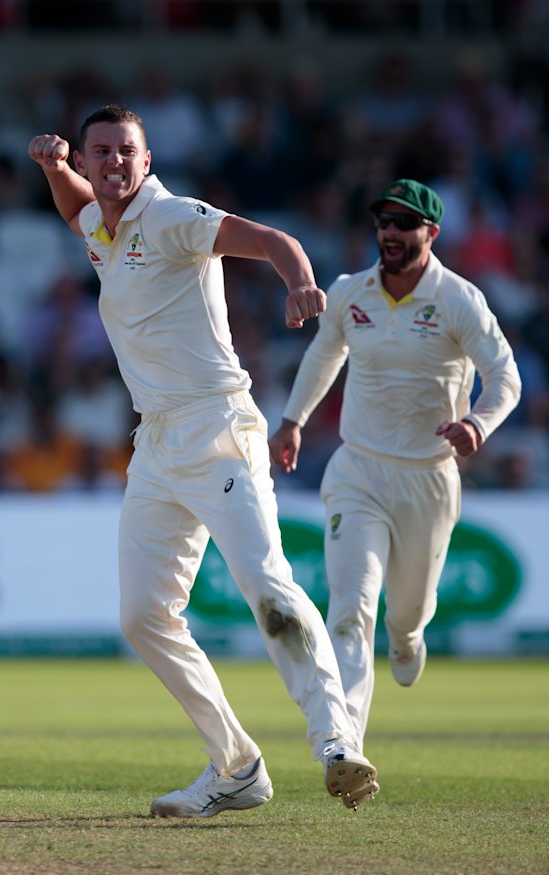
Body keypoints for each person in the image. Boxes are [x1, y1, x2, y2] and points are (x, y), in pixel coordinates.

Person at [28, 104, 379, 818]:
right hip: (155, 446)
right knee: (143, 616)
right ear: (90, 161)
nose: (113, 163)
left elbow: (272, 238)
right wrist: (53, 167)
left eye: (126, 151)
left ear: (146, 160)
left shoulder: (169, 216)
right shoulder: (100, 221)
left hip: (218, 428)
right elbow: (76, 211)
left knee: (268, 589)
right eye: (100, 153)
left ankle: (336, 740)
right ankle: (236, 766)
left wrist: (299, 281)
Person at [269, 179, 521, 773]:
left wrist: (479, 425)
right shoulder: (349, 292)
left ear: (431, 234)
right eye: (384, 221)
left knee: (405, 614)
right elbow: (324, 354)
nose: (391, 232)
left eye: (405, 224)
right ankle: (344, 746)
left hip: (429, 479)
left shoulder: (458, 299)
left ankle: (409, 638)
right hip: (357, 470)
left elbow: (505, 377)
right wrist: (292, 420)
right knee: (350, 608)